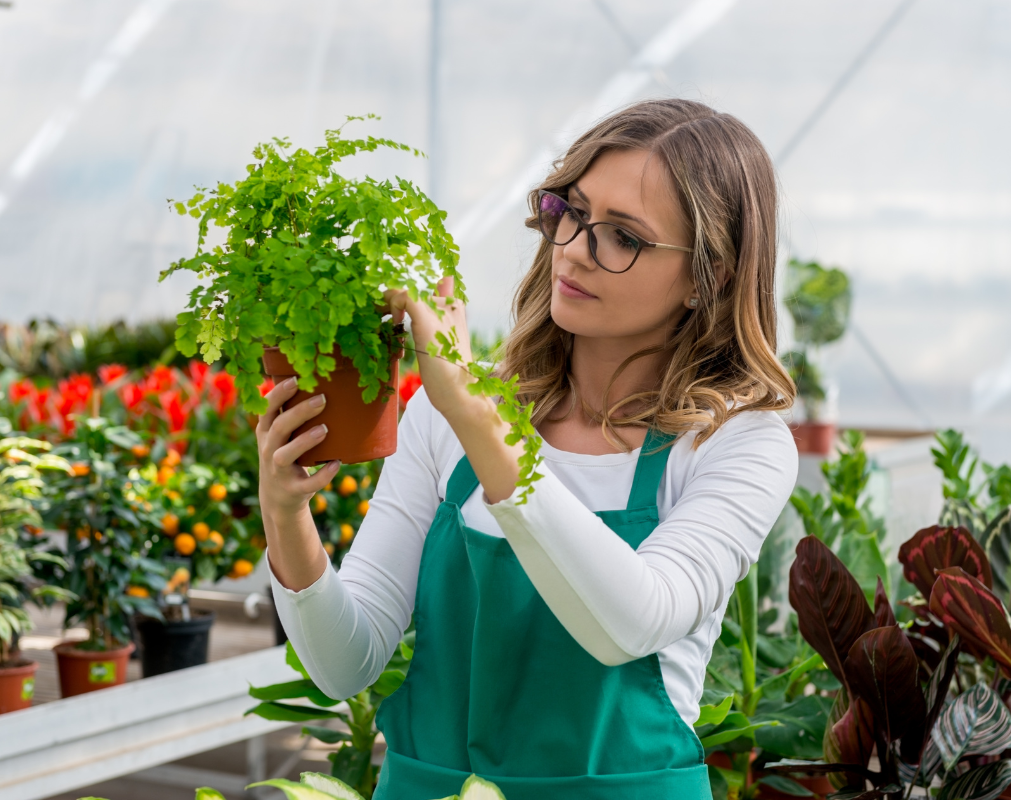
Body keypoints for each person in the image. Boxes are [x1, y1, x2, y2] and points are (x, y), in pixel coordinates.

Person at [258, 99, 799, 800]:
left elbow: (632, 622)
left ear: (709, 277)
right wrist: (284, 514)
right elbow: (345, 663)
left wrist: (479, 420)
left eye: (622, 236)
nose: (572, 248)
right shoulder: (442, 418)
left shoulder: (738, 444)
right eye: (570, 210)